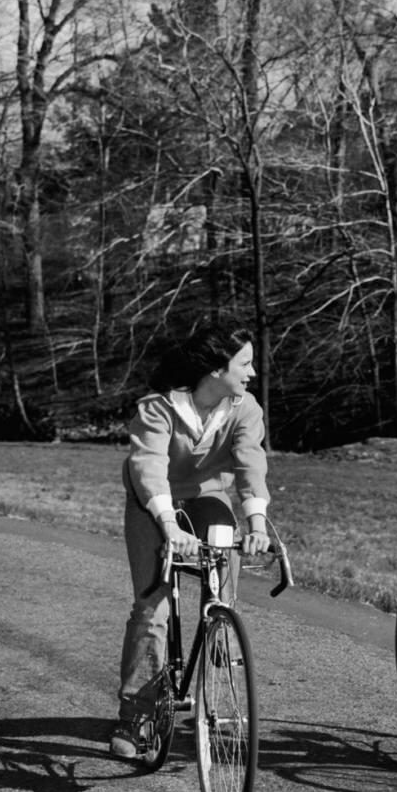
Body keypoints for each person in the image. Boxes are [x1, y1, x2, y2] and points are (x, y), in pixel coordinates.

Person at [110, 320, 271, 759]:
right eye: (245, 363)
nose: (252, 372)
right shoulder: (157, 408)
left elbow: (249, 465)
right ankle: (138, 714)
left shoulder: (244, 407)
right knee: (152, 605)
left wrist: (256, 522)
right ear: (216, 368)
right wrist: (170, 526)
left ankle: (219, 619)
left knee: (224, 540)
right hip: (153, 502)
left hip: (207, 497)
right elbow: (149, 467)